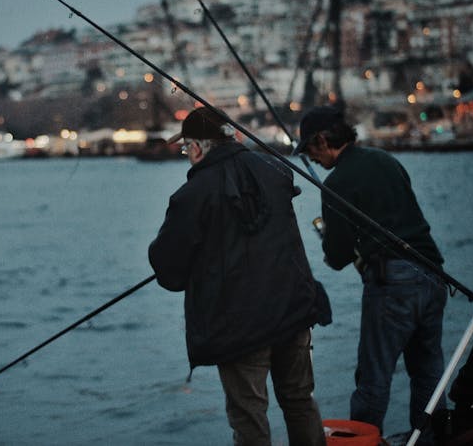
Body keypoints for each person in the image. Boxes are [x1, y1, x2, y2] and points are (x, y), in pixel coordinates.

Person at [149, 106, 330, 446]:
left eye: (187, 147)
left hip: (240, 327)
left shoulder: (191, 195)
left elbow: (168, 269)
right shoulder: (275, 170)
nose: (187, 155)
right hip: (293, 308)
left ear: (200, 147)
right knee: (299, 400)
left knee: (249, 416)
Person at [293, 105, 448, 444]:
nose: (311, 158)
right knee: (428, 373)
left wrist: (330, 239)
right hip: (434, 275)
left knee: (373, 378)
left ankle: (362, 443)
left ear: (322, 140)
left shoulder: (336, 184)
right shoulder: (386, 160)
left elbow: (336, 257)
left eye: (309, 149)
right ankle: (432, 438)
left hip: (392, 284)